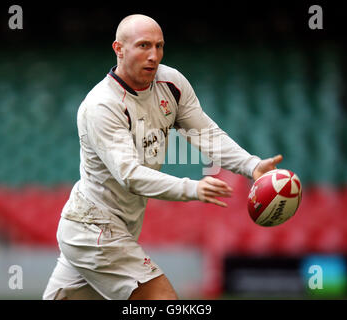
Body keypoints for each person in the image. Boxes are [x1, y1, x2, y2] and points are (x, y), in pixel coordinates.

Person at [43, 14, 282, 300]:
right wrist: (193, 188)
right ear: (118, 49)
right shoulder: (101, 106)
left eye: (159, 46)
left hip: (104, 229)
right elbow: (130, 175)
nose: (153, 55)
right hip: (94, 230)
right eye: (144, 46)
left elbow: (206, 133)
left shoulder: (171, 83)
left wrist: (251, 165)